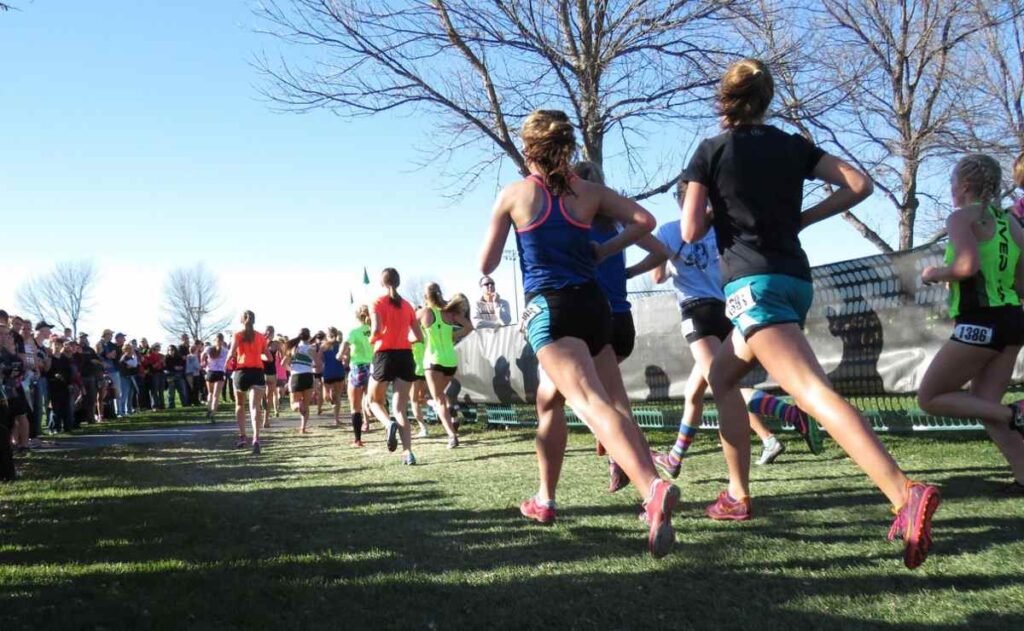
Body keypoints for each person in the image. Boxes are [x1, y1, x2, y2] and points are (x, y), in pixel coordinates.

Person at [680, 58, 938, 568]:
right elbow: (858, 185)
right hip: (793, 280)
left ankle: (902, 491)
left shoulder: (710, 151)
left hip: (752, 285)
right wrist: (801, 218)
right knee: (721, 376)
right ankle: (736, 495)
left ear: (724, 99)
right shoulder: (793, 145)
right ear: (766, 98)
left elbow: (690, 231)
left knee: (813, 392)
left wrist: (717, 210)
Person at [479, 109, 678, 558]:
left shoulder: (514, 195)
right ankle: (545, 499)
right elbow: (645, 221)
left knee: (591, 405)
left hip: (552, 310)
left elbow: (486, 265)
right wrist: (603, 249)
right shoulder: (588, 191)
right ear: (565, 146)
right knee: (556, 400)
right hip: (595, 309)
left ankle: (651, 489)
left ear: (528, 149)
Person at [630, 180, 822, 476]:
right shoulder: (725, 228)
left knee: (724, 386)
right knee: (695, 391)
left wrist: (670, 265)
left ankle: (791, 414)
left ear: (682, 200)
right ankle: (675, 457)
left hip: (697, 313)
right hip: (729, 309)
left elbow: (656, 276)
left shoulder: (670, 230)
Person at [917, 154, 1024, 494]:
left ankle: (1015, 412)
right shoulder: (1011, 223)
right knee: (985, 404)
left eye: (951, 186)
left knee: (930, 397)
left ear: (963, 186)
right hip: (1012, 321)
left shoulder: (962, 217)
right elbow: (1022, 283)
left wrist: (935, 274)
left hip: (981, 322)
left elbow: (966, 267)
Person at [368, 268, 423, 465]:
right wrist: (403, 339)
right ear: (398, 282)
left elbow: (375, 330)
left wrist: (372, 339)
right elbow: (418, 336)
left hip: (384, 355)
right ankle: (408, 453)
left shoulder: (376, 302)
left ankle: (387, 423)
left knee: (373, 401)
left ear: (382, 282)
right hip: (405, 356)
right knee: (400, 408)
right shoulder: (408, 306)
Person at [419, 284, 474, 448]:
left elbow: (407, 325)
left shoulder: (425, 312)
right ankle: (452, 415)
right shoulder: (450, 313)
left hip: (433, 360)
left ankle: (452, 435)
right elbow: (470, 327)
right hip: (450, 361)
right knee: (438, 397)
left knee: (438, 399)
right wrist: (454, 335)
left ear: (425, 296)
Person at [226, 311, 269, 454]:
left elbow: (231, 352)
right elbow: (269, 357)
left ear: (242, 320)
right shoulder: (261, 336)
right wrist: (257, 355)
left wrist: (226, 363)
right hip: (257, 372)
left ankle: (243, 436)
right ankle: (256, 438)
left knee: (240, 405)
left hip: (241, 372)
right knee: (255, 407)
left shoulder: (238, 335)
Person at [340, 305, 373, 447]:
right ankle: (387, 426)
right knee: (375, 400)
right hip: (374, 366)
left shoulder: (354, 331)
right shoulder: (374, 329)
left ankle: (358, 440)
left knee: (355, 407)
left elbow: (345, 343)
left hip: (358, 367)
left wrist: (339, 354)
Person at [284, 328, 318, 434]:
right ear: (309, 336)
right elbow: (317, 363)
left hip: (296, 377)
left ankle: (299, 405)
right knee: (306, 405)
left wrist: (291, 369)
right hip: (308, 376)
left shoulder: (293, 348)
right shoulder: (311, 348)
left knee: (294, 405)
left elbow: (283, 364)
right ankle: (303, 428)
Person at [320, 328, 347, 428]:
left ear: (327, 335)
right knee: (338, 396)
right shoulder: (340, 345)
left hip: (328, 372)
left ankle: (336, 418)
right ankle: (336, 419)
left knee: (327, 397)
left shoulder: (323, 346)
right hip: (339, 371)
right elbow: (345, 359)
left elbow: (320, 359)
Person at [202, 334, 230, 422]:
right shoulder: (225, 351)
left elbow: (202, 355)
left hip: (210, 372)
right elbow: (230, 359)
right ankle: (213, 413)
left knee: (210, 393)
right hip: (220, 372)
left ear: (215, 340)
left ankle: (209, 409)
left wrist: (203, 362)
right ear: (222, 341)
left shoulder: (208, 348)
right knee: (216, 395)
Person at [96, 329, 121, 419]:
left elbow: (113, 355)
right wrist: (107, 355)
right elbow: (101, 355)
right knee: (104, 394)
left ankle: (119, 411)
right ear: (106, 335)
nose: (111, 336)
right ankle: (104, 414)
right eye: (110, 334)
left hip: (114, 370)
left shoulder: (111, 345)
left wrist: (109, 355)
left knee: (116, 392)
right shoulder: (99, 343)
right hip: (104, 371)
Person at [262, 326, 280, 421]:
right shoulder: (276, 344)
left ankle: (262, 397)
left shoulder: (261, 342)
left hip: (262, 371)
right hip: (271, 372)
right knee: (270, 396)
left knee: (263, 392)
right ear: (273, 333)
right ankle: (266, 420)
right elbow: (282, 353)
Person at [118, 342, 139, 416]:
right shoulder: (125, 357)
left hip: (130, 377)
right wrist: (135, 357)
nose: (132, 350)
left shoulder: (130, 357)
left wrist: (133, 364)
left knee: (130, 395)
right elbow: (135, 364)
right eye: (131, 349)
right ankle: (122, 411)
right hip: (124, 378)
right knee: (124, 395)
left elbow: (135, 366)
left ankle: (129, 410)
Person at [164, 345, 188, 409]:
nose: (170, 351)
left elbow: (183, 364)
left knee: (182, 391)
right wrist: (174, 367)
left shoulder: (178, 357)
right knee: (171, 392)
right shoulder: (166, 358)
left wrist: (180, 367)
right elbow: (166, 367)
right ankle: (171, 406)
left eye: (172, 350)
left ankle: (184, 404)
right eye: (169, 350)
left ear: (175, 350)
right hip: (170, 376)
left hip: (179, 375)